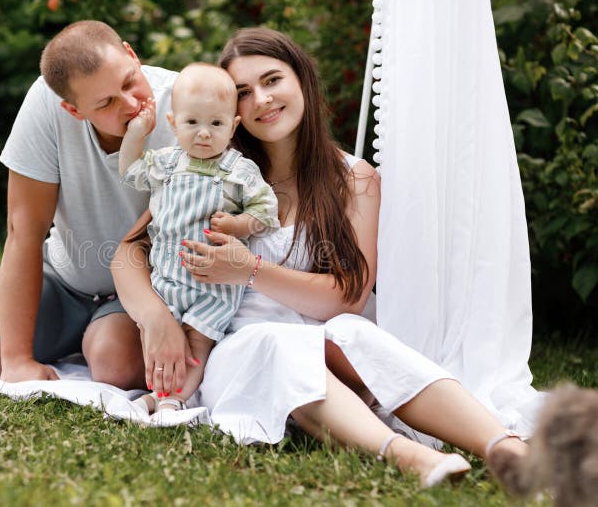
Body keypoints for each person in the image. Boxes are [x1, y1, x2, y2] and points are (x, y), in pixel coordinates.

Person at [111, 27, 530, 487]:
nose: (263, 100)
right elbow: (129, 253)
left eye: (273, 80)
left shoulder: (353, 179)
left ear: (302, 80)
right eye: (245, 92)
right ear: (232, 111)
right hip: (236, 342)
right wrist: (156, 317)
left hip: (324, 336)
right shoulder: (210, 169)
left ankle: (503, 445)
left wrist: (249, 269)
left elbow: (346, 298)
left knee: (355, 332)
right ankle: (408, 456)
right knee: (278, 344)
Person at [0, 20, 178, 385]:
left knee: (115, 366)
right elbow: (24, 229)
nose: (132, 104)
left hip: (141, 290)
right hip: (64, 279)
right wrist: (16, 359)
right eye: (105, 103)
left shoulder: (185, 104)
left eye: (129, 81)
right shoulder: (46, 102)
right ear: (73, 110)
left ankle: (91, 337)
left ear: (131, 54)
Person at [117, 63, 279, 412]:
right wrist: (136, 135)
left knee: (196, 346)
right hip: (166, 279)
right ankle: (157, 394)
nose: (204, 133)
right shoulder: (165, 163)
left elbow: (267, 213)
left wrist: (239, 226)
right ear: (174, 123)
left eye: (216, 124)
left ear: (233, 126)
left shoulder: (238, 170)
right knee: (156, 340)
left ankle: (175, 400)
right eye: (192, 123)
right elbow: (131, 173)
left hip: (213, 287)